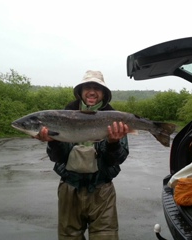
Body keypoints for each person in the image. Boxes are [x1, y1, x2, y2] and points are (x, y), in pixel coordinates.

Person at [36, 70, 129, 240]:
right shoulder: (62, 116)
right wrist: (53, 141)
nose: (92, 91)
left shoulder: (115, 119)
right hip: (69, 188)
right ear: (80, 91)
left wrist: (113, 143)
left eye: (97, 88)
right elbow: (58, 158)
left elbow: (117, 160)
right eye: (88, 87)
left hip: (102, 190)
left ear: (104, 94)